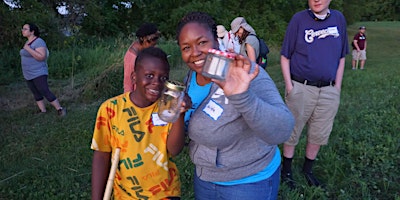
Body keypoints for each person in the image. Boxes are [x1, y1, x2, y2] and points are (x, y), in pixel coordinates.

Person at [176, 11, 294, 199]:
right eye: (186, 47)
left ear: (216, 40)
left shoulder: (244, 72)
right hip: (205, 179)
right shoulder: (190, 79)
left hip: (249, 183)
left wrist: (243, 97)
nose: (195, 53)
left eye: (202, 42)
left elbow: (283, 130)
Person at [91, 47, 191, 200]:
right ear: (133, 77)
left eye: (163, 78)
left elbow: (175, 149)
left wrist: (179, 114)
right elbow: (101, 155)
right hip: (126, 195)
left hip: (165, 193)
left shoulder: (167, 108)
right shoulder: (111, 109)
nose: (156, 83)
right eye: (149, 75)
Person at [280, 0, 349, 189]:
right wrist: (290, 87)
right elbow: (285, 56)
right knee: (292, 131)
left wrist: (337, 87)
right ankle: (286, 170)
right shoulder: (299, 20)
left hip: (329, 90)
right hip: (301, 88)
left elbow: (342, 56)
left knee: (319, 133)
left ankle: (308, 170)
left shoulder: (338, 19)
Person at [20, 23, 66, 116]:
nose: (22, 30)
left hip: (38, 72)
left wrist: (28, 49)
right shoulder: (27, 42)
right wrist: (27, 48)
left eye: (25, 29)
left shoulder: (39, 42)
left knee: (44, 90)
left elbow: (42, 57)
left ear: (32, 31)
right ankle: (43, 111)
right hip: (28, 73)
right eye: (23, 29)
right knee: (35, 92)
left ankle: (60, 109)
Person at [123, 23, 161, 93]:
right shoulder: (131, 58)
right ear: (142, 39)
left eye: (156, 38)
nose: (155, 42)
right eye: (152, 39)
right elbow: (128, 84)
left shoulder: (148, 48)